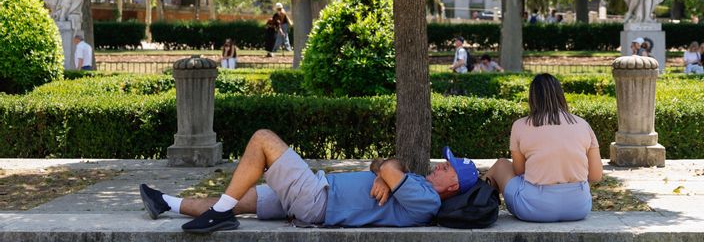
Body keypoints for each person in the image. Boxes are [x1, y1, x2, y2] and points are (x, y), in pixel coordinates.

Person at [139, 129, 477, 232]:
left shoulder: (428, 201)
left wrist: (388, 174)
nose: (440, 166)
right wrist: (387, 175)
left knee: (262, 139)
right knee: (239, 197)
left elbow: (387, 167)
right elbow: (383, 163)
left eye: (447, 168)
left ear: (453, 187)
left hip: (318, 200)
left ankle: (220, 214)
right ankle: (166, 203)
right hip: (315, 195)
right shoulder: (416, 182)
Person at [484, 74, 602, 222]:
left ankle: (476, 204)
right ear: (560, 95)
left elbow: (520, 171)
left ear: (532, 98)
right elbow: (596, 175)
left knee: (501, 164)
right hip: (579, 207)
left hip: (534, 208)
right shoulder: (583, 124)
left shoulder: (520, 125)